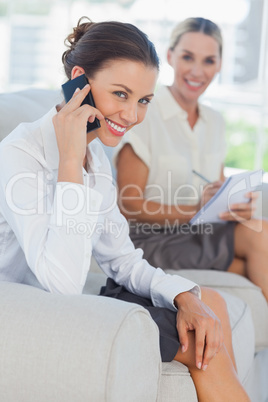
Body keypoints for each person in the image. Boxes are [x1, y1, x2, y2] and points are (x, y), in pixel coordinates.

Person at [0, 17, 249, 401]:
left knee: (207, 303)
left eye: (144, 100)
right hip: (29, 311)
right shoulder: (20, 154)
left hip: (67, 302)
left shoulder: (96, 157)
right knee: (201, 344)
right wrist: (70, 161)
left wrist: (184, 296)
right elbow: (61, 285)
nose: (132, 115)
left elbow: (122, 260)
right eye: (120, 94)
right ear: (79, 79)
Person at [115, 17, 268, 302]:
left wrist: (231, 206)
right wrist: (195, 210)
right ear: (170, 57)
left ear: (220, 64)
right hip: (147, 239)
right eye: (188, 57)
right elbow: (127, 204)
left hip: (197, 236)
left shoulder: (215, 122)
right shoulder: (146, 112)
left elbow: (216, 188)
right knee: (261, 234)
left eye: (209, 60)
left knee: (252, 258)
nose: (197, 71)